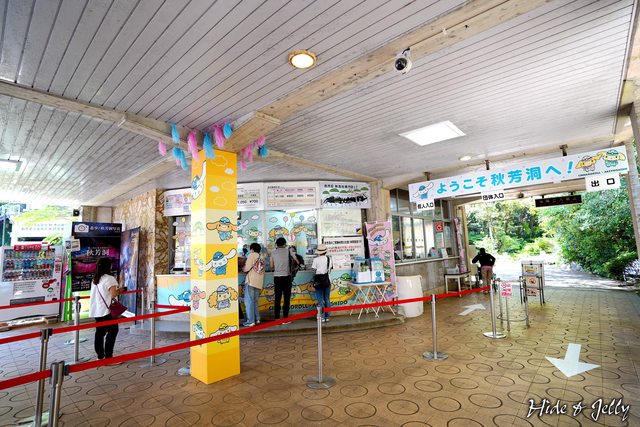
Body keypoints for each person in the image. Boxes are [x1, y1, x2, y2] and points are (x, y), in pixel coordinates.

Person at [89, 258, 122, 360]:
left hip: (97, 310)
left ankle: (100, 356)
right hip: (107, 311)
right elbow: (113, 294)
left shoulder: (95, 279)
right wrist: (120, 290)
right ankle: (108, 357)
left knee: (99, 334)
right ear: (108, 266)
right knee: (112, 332)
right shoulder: (110, 279)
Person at [269, 237, 298, 323]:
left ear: (276, 244)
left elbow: (271, 266)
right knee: (286, 298)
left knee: (277, 298)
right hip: (287, 277)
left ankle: (277, 318)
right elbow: (297, 261)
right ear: (284, 244)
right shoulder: (289, 251)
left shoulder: (273, 253)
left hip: (277, 277)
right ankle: (285, 318)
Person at [242, 243, 265, 327]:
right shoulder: (262, 257)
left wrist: (243, 269)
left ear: (252, 249)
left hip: (251, 281)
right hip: (259, 282)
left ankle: (250, 321)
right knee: (255, 301)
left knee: (249, 301)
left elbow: (247, 268)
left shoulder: (251, 255)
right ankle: (257, 318)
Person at [311, 244, 333, 322]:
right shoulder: (329, 259)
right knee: (327, 299)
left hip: (318, 282)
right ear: (325, 251)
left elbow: (313, 271)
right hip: (327, 281)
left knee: (320, 300)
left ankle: (322, 317)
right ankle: (327, 316)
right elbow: (330, 270)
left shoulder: (316, 260)